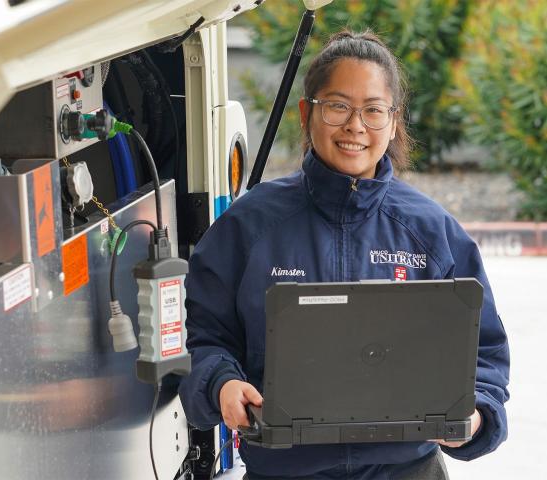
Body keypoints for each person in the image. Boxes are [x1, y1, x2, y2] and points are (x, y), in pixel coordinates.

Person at [178, 30, 510, 479]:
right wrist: (222, 384)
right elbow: (204, 338)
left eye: (373, 110)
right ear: (305, 113)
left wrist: (477, 415)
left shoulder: (431, 232)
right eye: (337, 106)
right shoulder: (248, 226)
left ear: (393, 122)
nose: (356, 126)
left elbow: (483, 353)